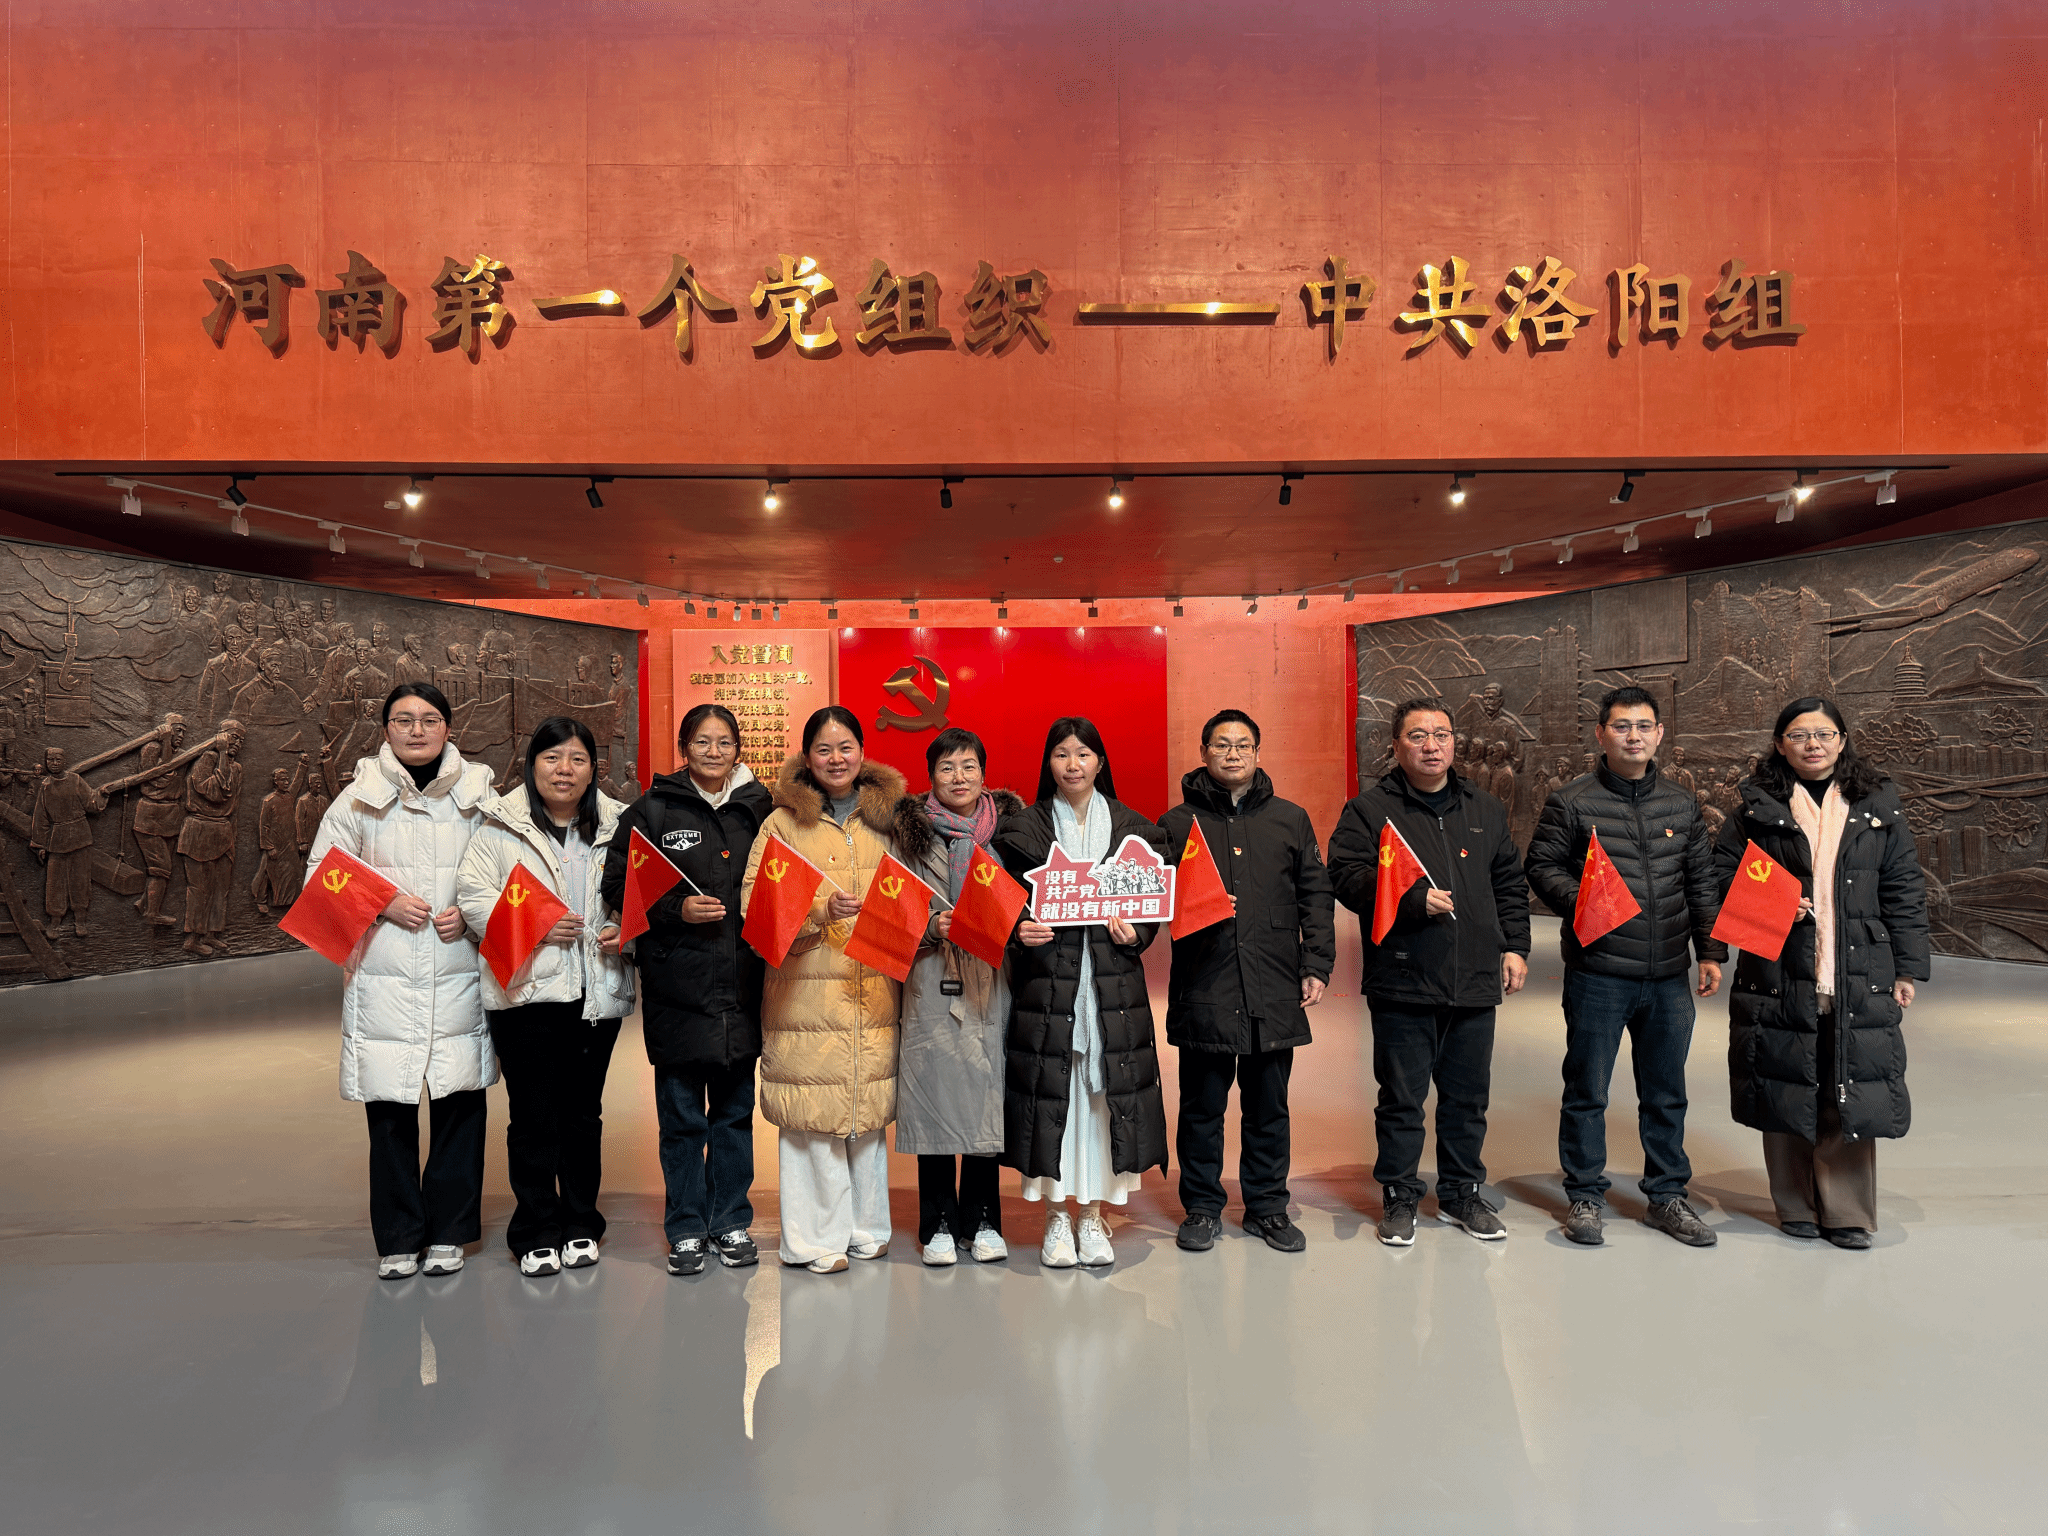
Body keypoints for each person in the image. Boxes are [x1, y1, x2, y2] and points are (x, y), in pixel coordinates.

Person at [1713, 698, 1930, 1250]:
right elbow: (1720, 878)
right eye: (1799, 735)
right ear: (1779, 744)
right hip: (1780, 966)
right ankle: (1795, 1205)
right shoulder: (1755, 808)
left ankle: (1847, 1211)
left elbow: (1903, 887)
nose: (1812, 744)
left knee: (1848, 1083)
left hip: (1857, 967)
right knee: (1786, 1080)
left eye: (1824, 734)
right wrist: (1774, 904)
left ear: (1842, 740)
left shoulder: (1876, 804)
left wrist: (1907, 966)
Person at [304, 684, 496, 1281]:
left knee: (459, 1101)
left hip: (458, 965)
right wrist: (383, 902)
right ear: (385, 728)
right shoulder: (358, 798)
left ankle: (450, 1232)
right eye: (404, 719)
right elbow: (320, 877)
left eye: (430, 719)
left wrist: (471, 913)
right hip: (384, 973)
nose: (417, 730)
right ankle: (397, 1236)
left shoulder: (478, 794)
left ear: (448, 728)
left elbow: (509, 869)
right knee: (389, 1110)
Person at [1526, 686, 1727, 1248]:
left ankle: (1667, 1196)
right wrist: (1585, 902)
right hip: (1599, 973)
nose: (1633, 736)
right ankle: (1585, 1195)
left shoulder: (1681, 804)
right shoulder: (1571, 801)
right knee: (1587, 1089)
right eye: (1621, 726)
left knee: (1666, 1092)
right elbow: (1540, 865)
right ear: (1601, 734)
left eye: (1643, 726)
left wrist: (1711, 951)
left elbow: (1701, 882)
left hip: (1668, 976)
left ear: (1659, 734)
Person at [1329, 698, 1530, 1246]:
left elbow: (1509, 884)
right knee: (1402, 1099)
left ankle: (1462, 1193)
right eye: (1418, 735)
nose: (1432, 745)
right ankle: (1399, 1195)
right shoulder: (1370, 810)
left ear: (1454, 742)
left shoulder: (1485, 809)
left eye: (1442, 734)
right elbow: (1345, 876)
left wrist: (1516, 946)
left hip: (1474, 979)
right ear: (1396, 746)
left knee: (1467, 1099)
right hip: (1404, 977)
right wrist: (1411, 900)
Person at [456, 716, 635, 1278]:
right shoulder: (498, 828)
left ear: (593, 769)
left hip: (594, 992)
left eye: (578, 759)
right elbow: (472, 899)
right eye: (552, 758)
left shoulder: (618, 826)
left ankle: (581, 1222)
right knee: (533, 1116)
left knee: (583, 1114)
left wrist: (626, 929)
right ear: (532, 765)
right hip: (524, 994)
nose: (565, 770)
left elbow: (638, 892)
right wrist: (532, 923)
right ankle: (535, 1228)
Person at [600, 703, 774, 1278]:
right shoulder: (652, 810)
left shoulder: (761, 810)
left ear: (738, 749)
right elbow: (617, 884)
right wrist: (676, 910)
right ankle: (686, 1228)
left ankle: (730, 1221)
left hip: (743, 987)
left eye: (724, 742)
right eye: (702, 741)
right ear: (684, 748)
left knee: (734, 1117)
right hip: (677, 990)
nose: (713, 752)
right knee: (681, 1121)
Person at [994, 717, 1170, 1269]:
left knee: (1101, 1102)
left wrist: (1136, 933)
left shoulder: (1135, 830)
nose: (1073, 764)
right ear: (1048, 763)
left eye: (1084, 754)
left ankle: (1092, 1217)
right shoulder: (1020, 831)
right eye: (1062, 754)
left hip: (1110, 989)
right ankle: (1054, 1219)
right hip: (1048, 988)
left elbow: (1150, 907)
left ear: (1100, 762)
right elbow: (1001, 904)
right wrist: (1018, 928)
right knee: (1053, 1098)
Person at [1160, 709, 1334, 1253]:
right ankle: (1202, 1208)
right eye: (1221, 745)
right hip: (1205, 981)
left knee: (1268, 1107)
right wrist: (1194, 904)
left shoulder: (1290, 818)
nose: (1232, 754)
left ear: (1258, 753)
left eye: (1242, 745)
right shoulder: (1175, 824)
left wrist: (1317, 964)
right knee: (1202, 1108)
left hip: (1273, 981)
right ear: (1204, 753)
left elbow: (1316, 894)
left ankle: (1267, 1207)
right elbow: (1155, 899)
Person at [741, 707, 907, 1275]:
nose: (836, 759)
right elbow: (754, 907)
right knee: (812, 1116)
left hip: (873, 987)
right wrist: (819, 910)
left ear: (862, 751)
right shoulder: (783, 824)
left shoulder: (890, 819)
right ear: (807, 757)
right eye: (824, 749)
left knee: (864, 1111)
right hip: (804, 989)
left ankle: (867, 1228)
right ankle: (814, 1240)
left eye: (846, 747)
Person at [891, 726, 1025, 1266]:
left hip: (991, 980)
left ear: (984, 774)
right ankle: (938, 1222)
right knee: (934, 1100)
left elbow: (1028, 904)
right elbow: (888, 909)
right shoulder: (906, 836)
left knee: (985, 1097)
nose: (959, 777)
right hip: (929, 980)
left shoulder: (1010, 835)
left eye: (969, 766)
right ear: (931, 777)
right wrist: (930, 926)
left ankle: (984, 1220)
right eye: (947, 767)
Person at [178, 719, 245, 957]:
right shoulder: (206, 759)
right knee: (199, 888)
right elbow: (215, 793)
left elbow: (233, 805)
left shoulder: (237, 768)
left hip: (223, 831)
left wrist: (232, 835)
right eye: (233, 737)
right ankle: (192, 938)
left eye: (241, 740)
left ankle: (212, 933)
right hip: (200, 829)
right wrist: (222, 754)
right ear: (222, 736)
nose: (237, 743)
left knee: (221, 888)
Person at [28, 747, 108, 939]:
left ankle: (80, 919)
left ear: (64, 761)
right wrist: (40, 845)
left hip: (80, 836)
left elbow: (90, 802)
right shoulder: (45, 786)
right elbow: (40, 817)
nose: (54, 763)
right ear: (46, 762)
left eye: (58, 759)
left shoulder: (75, 780)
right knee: (55, 882)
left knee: (80, 880)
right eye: (50, 760)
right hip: (58, 838)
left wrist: (102, 795)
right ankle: (55, 920)